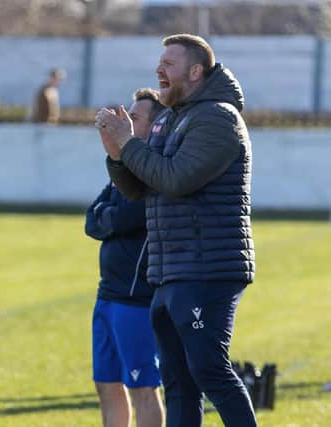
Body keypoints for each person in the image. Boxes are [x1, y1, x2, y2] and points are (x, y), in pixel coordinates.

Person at [95, 34, 257, 427]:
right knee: (179, 383)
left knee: (208, 371)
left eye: (169, 63)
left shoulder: (218, 117)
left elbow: (176, 179)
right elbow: (140, 187)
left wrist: (129, 146)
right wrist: (117, 154)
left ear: (196, 71)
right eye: (159, 62)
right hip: (171, 271)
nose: (159, 70)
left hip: (207, 270)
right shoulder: (171, 117)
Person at [85, 88, 165, 427]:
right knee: (106, 384)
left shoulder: (155, 170)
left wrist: (110, 219)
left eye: (134, 117)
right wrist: (110, 219)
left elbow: (125, 217)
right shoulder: (123, 168)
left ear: (156, 125)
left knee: (143, 388)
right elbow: (93, 221)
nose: (125, 122)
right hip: (108, 294)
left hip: (136, 299)